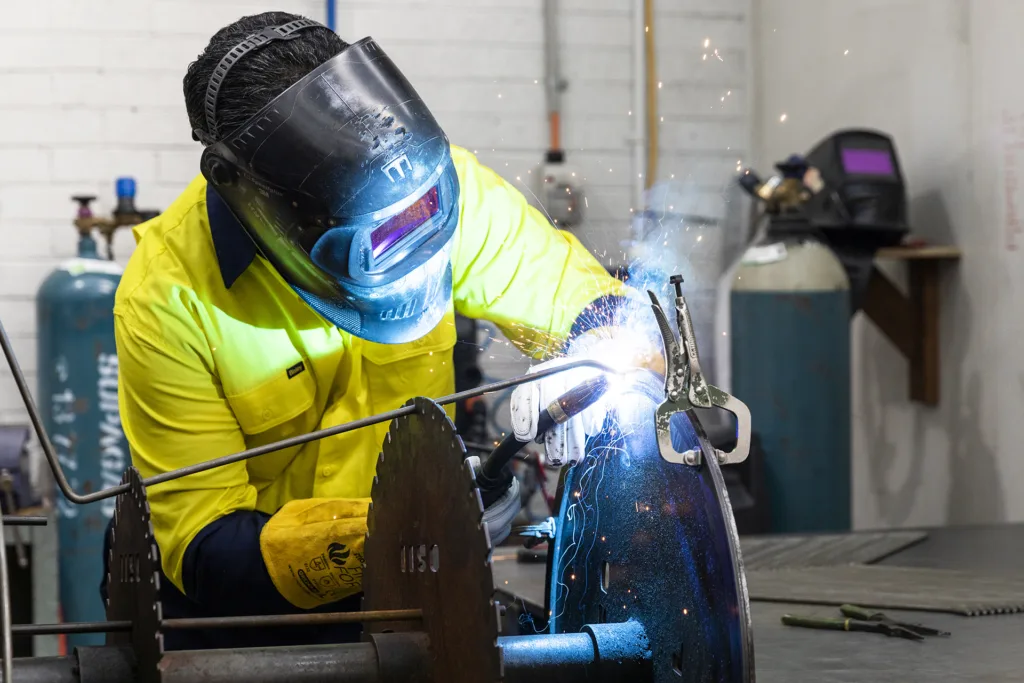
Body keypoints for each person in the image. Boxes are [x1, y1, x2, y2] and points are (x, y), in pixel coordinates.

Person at [103, 12, 661, 650]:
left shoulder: (435, 191)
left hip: (408, 594)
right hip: (236, 618)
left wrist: (598, 356)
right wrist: (407, 529)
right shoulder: (167, 296)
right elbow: (207, 545)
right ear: (257, 200)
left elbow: (585, 302)